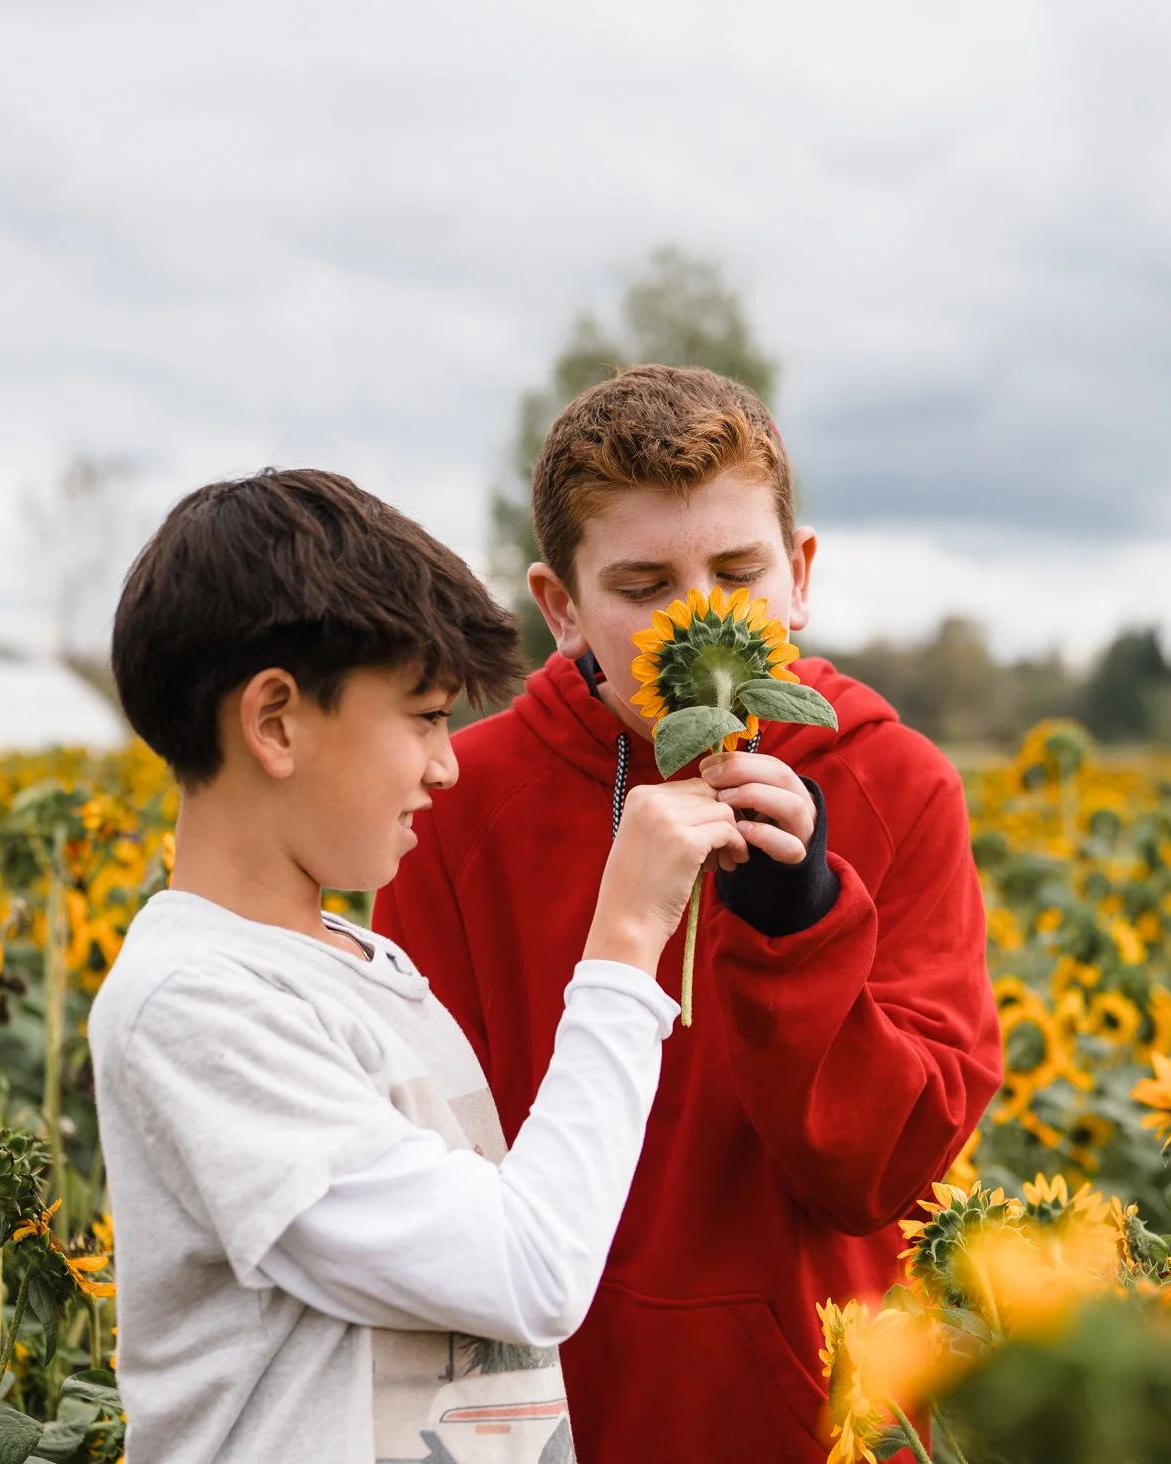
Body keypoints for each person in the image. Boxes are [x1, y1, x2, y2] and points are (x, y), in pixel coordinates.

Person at [376, 366, 1002, 1459]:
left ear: (798, 577)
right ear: (561, 607)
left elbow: (889, 1176)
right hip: (550, 1411)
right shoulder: (454, 805)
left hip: (819, 1416)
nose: (701, 620)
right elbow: (422, 1167)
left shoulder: (897, 786)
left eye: (735, 571)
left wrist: (799, 925)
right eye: (643, 583)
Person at [90, 468, 754, 1463]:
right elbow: (530, 1272)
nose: (447, 765)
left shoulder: (362, 965)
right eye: (423, 717)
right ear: (275, 721)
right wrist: (624, 945)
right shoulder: (197, 1006)